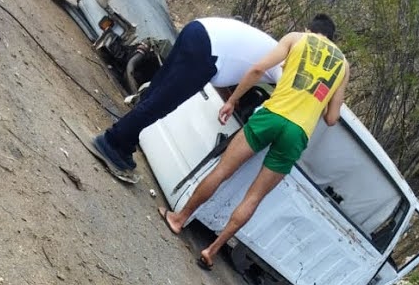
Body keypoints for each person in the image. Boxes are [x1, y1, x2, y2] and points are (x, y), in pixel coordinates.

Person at [163, 16, 349, 269]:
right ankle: (212, 250)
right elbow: (332, 118)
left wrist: (232, 100)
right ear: (332, 38)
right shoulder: (343, 65)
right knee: (254, 197)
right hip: (298, 133)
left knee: (222, 171)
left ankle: (179, 219)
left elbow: (258, 70)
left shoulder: (297, 38)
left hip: (272, 116)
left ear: (310, 29)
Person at [87, 16, 278, 178]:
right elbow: (257, 72)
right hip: (207, 51)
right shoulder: (288, 69)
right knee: (163, 102)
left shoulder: (279, 49)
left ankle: (125, 142)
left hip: (199, 30)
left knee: (157, 91)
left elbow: (239, 69)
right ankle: (112, 141)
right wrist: (231, 101)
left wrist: (231, 97)